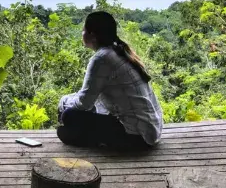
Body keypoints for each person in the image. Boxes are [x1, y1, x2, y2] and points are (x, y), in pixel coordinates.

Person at [57, 11, 164, 149]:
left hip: (137, 136)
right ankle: (91, 138)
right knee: (73, 119)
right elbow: (91, 97)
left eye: (83, 30)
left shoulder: (102, 58)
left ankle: (94, 140)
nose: (82, 33)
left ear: (92, 35)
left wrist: (64, 101)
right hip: (150, 130)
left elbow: (84, 103)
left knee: (69, 115)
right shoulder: (117, 51)